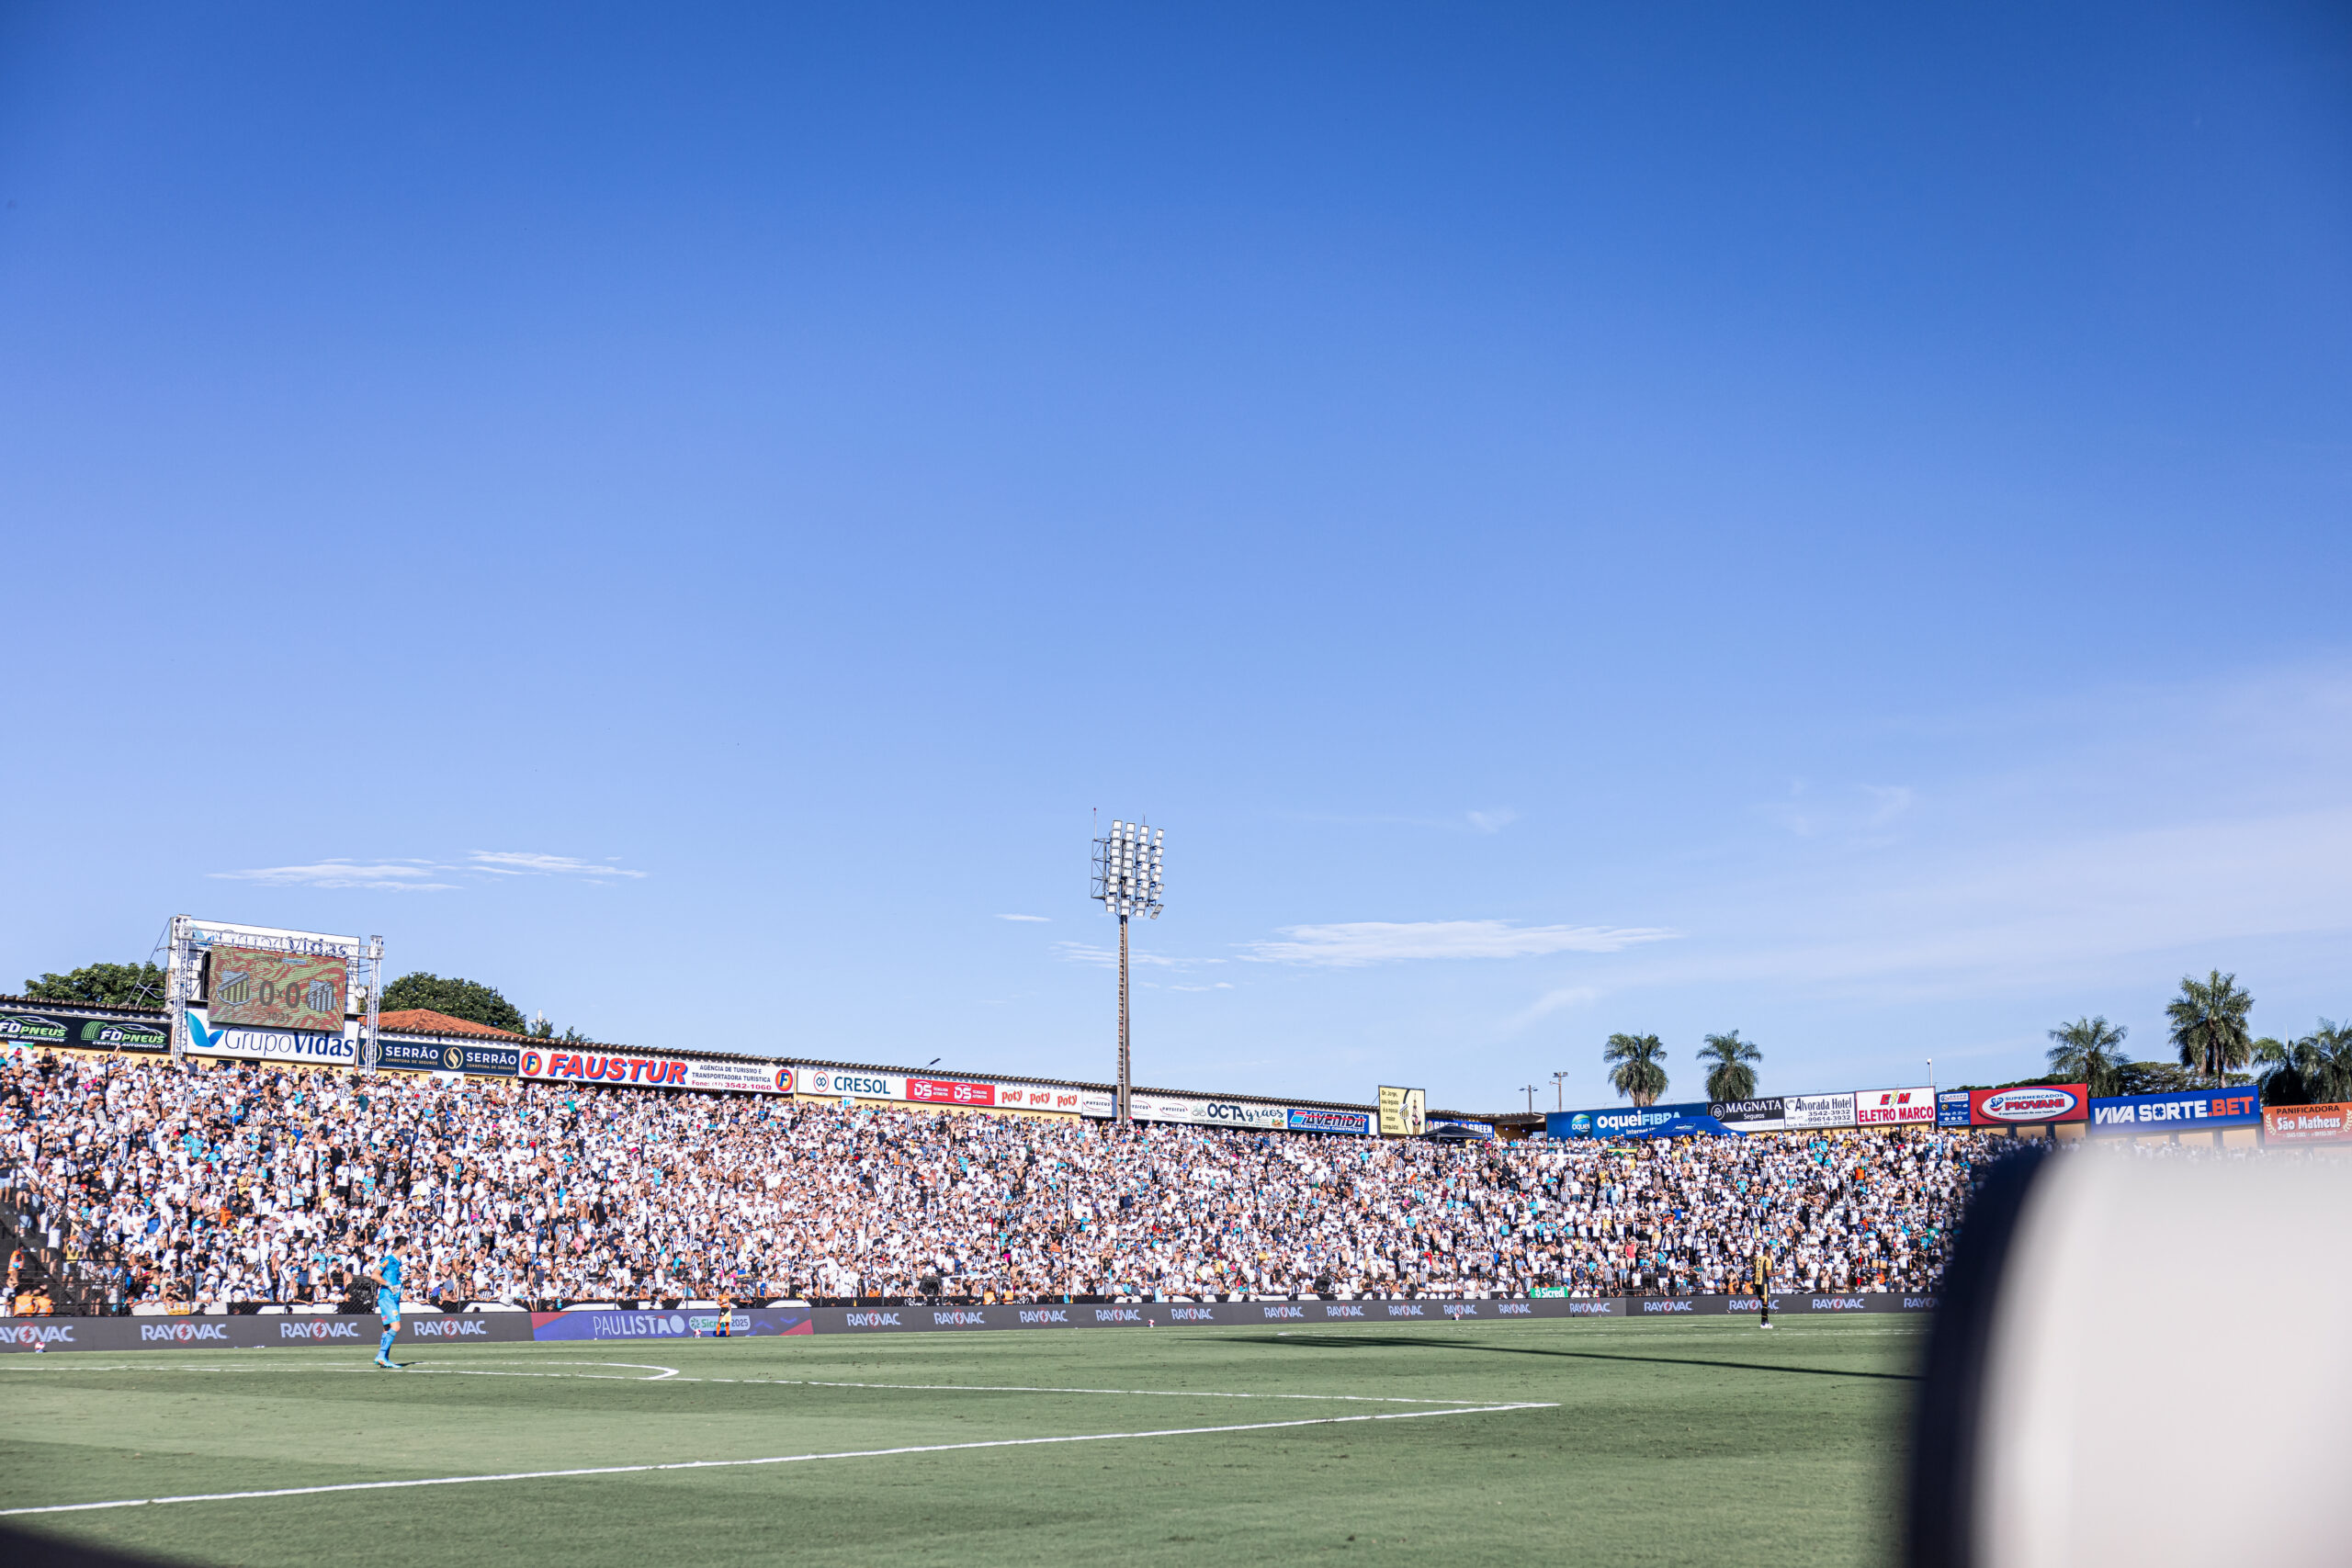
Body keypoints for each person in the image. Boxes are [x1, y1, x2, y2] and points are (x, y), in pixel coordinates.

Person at [371, 1237, 407, 1369]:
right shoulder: (388, 1260)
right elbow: (374, 1275)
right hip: (387, 1297)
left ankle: (384, 1359)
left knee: (387, 1328)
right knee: (396, 1326)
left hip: (394, 1298)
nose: (408, 1248)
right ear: (402, 1246)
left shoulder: (398, 1262)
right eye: (407, 1245)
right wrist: (389, 1285)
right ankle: (381, 1356)